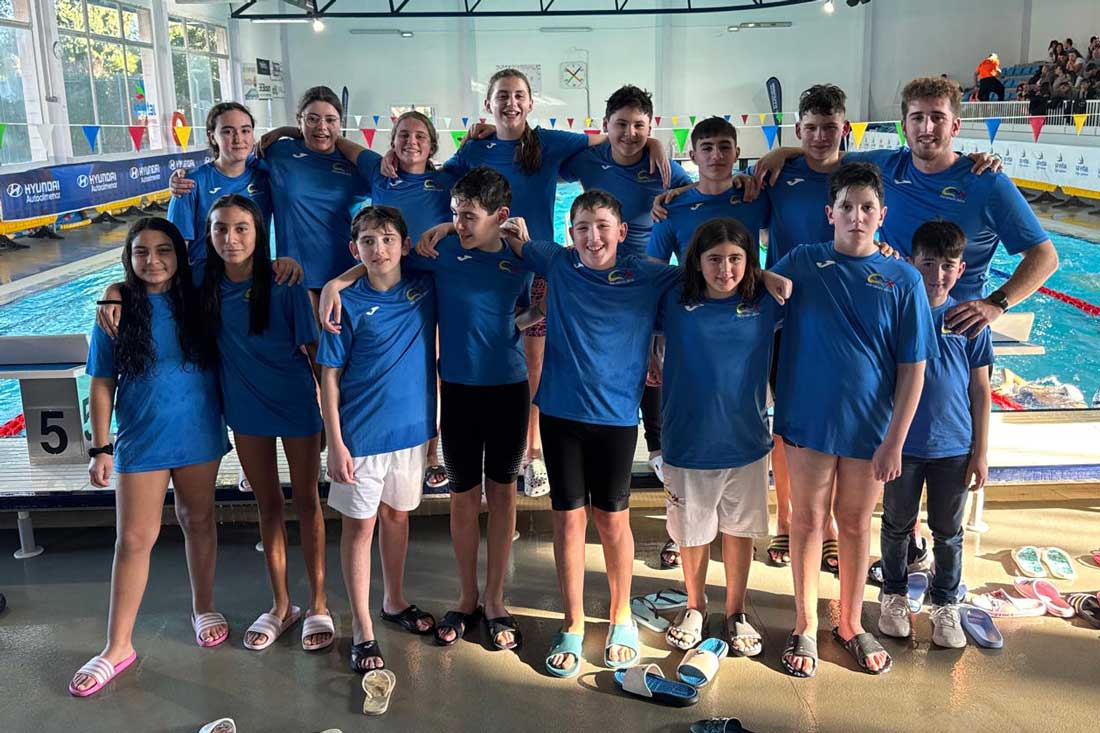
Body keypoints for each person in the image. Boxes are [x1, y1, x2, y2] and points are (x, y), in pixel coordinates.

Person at [415, 68, 671, 499]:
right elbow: (447, 187)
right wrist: (445, 227)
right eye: (502, 96)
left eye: (518, 95)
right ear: (488, 104)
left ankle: (530, 455)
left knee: (534, 362)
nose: (510, 103)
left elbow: (609, 140)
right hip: (487, 264)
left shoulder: (549, 142)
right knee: (482, 347)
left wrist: (655, 143)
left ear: (531, 103)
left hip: (535, 265)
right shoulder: (476, 146)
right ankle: (445, 452)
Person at [321, 168, 532, 652]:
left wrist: (531, 316)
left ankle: (496, 600)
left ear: (498, 215)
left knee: (503, 495)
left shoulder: (520, 258)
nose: (459, 224)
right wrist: (337, 281)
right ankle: (467, 597)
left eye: (468, 216)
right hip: (456, 392)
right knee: (462, 495)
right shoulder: (440, 256)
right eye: (455, 214)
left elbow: (528, 307)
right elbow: (381, 260)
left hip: (508, 390)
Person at [771, 162, 937, 678]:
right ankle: (804, 623)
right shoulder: (802, 261)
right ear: (830, 213)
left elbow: (913, 369)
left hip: (869, 429)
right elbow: (754, 289)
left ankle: (849, 622)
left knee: (855, 523)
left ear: (882, 216)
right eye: (847, 206)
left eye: (867, 208)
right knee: (806, 520)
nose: (857, 216)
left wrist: (895, 441)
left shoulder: (904, 279)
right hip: (807, 419)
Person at [755, 77, 1056, 336]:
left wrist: (996, 303)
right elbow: (827, 155)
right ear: (904, 126)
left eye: (937, 117)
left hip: (956, 329)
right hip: (893, 323)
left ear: (955, 125)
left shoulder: (987, 182)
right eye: (917, 118)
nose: (926, 127)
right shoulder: (887, 165)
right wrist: (782, 152)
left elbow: (1045, 257)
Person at [70, 218, 226, 697]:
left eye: (164, 250)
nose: (153, 261)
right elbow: (101, 382)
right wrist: (100, 446)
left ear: (180, 255)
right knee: (134, 539)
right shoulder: (115, 311)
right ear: (128, 258)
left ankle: (203, 607)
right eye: (141, 252)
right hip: (142, 438)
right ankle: (118, 646)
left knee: (198, 520)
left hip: (198, 431)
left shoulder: (198, 300)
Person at [558, 84, 694, 558]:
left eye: (640, 126)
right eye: (622, 124)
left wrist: (664, 159)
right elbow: (541, 158)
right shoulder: (587, 160)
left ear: (651, 126)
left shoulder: (663, 167)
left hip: (646, 285)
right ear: (605, 125)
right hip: (600, 285)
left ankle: (678, 520)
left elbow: (699, 192)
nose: (631, 134)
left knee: (658, 404)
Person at [198, 195, 333, 652]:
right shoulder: (204, 283)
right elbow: (147, 276)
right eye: (220, 228)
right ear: (209, 234)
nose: (230, 238)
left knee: (307, 501)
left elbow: (315, 355)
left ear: (259, 232)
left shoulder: (285, 282)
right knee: (267, 504)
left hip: (295, 404)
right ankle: (281, 604)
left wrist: (329, 420)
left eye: (241, 228)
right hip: (245, 410)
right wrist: (114, 292)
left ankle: (318, 603)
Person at [316, 205, 439, 673]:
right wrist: (335, 442)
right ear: (355, 249)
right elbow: (329, 376)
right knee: (360, 527)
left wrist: (335, 278)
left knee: (397, 517)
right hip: (360, 436)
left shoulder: (424, 287)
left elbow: (459, 241)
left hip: (411, 433)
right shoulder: (344, 304)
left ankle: (394, 600)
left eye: (388, 239)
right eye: (368, 241)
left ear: (404, 245)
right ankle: (363, 627)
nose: (379, 249)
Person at [659, 218, 786, 658]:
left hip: (745, 440)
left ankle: (736, 611)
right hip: (687, 440)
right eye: (714, 259)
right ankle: (695, 606)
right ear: (697, 261)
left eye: (735, 259)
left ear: (750, 261)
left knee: (738, 530)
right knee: (691, 533)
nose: (725, 269)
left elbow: (817, 286)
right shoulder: (674, 299)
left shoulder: (765, 302)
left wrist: (765, 276)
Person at [878, 220, 992, 649]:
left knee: (948, 532)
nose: (937, 274)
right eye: (928, 264)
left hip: (954, 447)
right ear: (912, 263)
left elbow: (980, 390)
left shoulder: (970, 321)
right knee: (896, 525)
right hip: (903, 447)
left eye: (947, 266)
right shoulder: (898, 315)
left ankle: (946, 603)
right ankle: (893, 595)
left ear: (961, 270)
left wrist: (980, 452)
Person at [648, 117, 770, 262]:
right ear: (693, 156)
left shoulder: (754, 196)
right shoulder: (669, 209)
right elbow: (656, 268)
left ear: (736, 153)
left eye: (724, 147)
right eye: (707, 148)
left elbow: (770, 241)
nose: (716, 155)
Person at [167, 102, 271, 267]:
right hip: (206, 276)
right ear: (212, 137)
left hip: (255, 275)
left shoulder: (265, 177)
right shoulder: (189, 183)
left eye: (245, 131)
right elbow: (177, 248)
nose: (238, 139)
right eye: (228, 131)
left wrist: (284, 131)